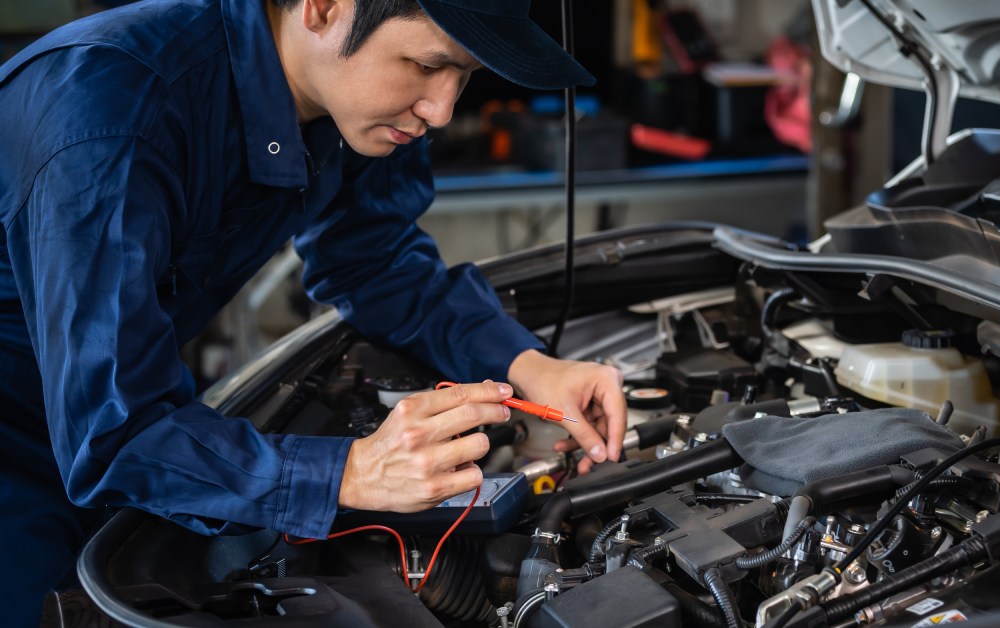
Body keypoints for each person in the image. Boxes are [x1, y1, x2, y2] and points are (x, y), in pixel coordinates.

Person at [0, 0, 626, 624]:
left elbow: (374, 259)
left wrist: (527, 364)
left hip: (111, 401)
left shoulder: (363, 100)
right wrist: (348, 474)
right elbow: (116, 434)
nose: (441, 110)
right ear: (324, 7)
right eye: (425, 64)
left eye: (464, 75)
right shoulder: (108, 110)